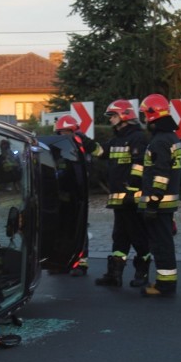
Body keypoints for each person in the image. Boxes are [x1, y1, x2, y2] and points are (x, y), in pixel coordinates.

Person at [94, 100, 151, 288]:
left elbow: (139, 167)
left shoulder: (138, 138)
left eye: (113, 116)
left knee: (138, 236)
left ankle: (142, 272)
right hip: (120, 200)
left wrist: (131, 192)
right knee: (119, 236)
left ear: (124, 116)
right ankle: (115, 274)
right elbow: (102, 152)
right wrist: (83, 142)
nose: (110, 120)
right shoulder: (117, 140)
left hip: (132, 200)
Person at [137, 94, 181, 297]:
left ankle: (165, 285)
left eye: (146, 115)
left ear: (154, 115)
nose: (145, 120)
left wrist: (153, 202)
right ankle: (166, 282)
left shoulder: (159, 142)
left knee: (161, 244)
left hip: (160, 203)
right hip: (168, 201)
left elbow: (161, 174)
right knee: (164, 242)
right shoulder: (172, 137)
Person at [54, 114, 102, 276]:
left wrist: (86, 142)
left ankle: (81, 263)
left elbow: (98, 153)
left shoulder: (83, 145)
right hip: (62, 195)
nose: (63, 135)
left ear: (74, 131)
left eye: (66, 132)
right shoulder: (59, 149)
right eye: (60, 132)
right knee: (62, 228)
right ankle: (61, 261)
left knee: (79, 227)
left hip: (79, 194)